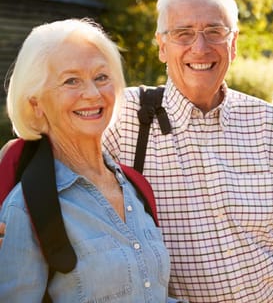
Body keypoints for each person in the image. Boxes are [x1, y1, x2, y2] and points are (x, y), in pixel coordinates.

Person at [102, 0, 273, 302]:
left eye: (214, 31)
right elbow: (49, 149)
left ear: (234, 43)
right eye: (183, 33)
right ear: (161, 46)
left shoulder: (272, 127)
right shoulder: (122, 118)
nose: (200, 47)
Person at [0, 19, 179, 302]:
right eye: (71, 80)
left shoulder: (136, 189)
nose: (93, 94)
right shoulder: (25, 208)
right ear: (36, 104)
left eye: (101, 77)